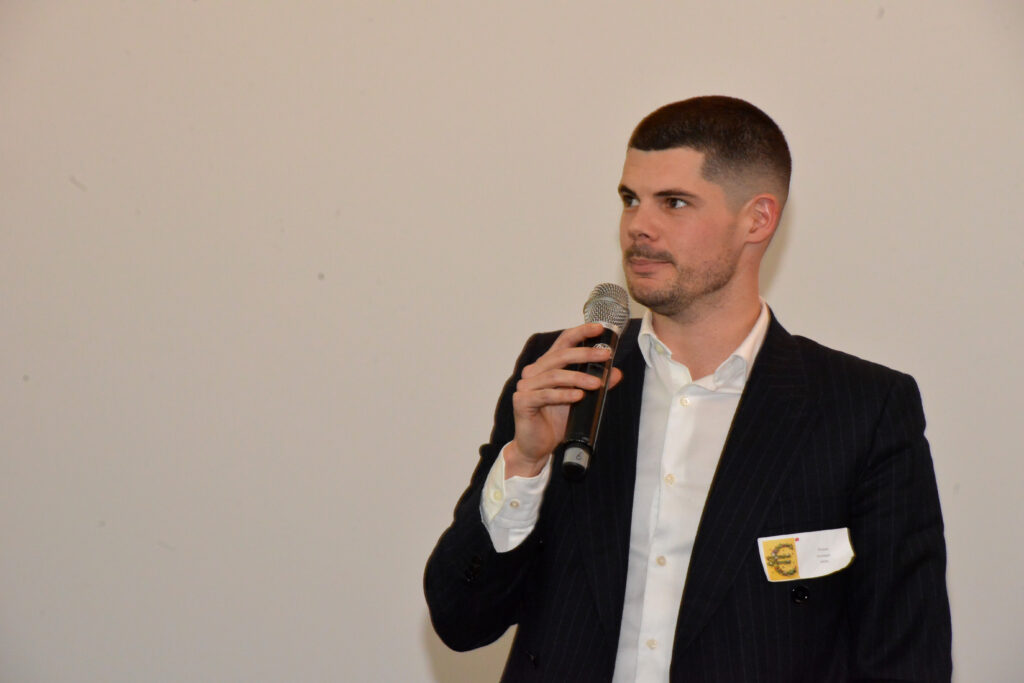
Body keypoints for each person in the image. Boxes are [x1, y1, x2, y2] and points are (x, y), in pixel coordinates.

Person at [424, 96, 952, 682]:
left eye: (673, 202)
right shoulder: (567, 373)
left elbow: (906, 657)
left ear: (757, 219)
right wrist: (525, 463)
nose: (638, 226)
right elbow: (459, 621)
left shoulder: (862, 408)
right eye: (630, 199)